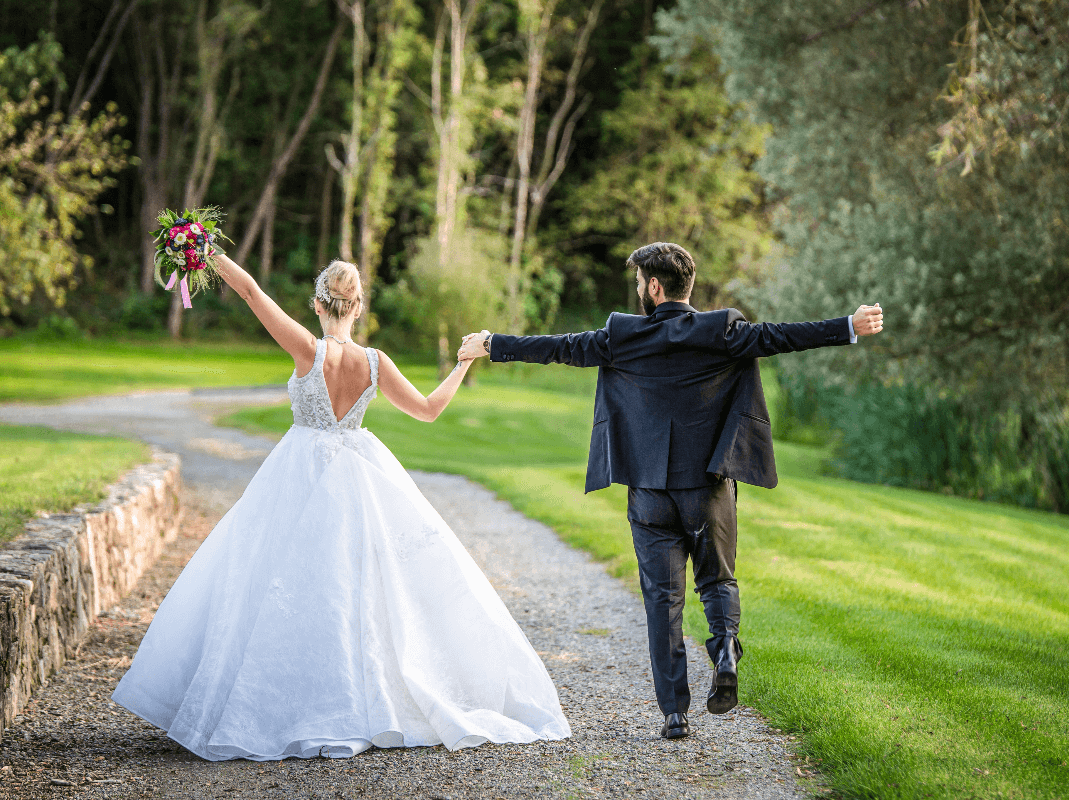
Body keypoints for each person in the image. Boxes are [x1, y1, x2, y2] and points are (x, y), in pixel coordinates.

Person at [112, 255, 570, 761]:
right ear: (359, 307)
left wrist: (207, 251)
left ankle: (295, 698)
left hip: (298, 470)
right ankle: (361, 692)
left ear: (317, 304)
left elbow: (249, 291)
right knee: (359, 587)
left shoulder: (307, 349)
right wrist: (463, 362)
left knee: (279, 579)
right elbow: (428, 410)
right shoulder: (375, 363)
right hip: (358, 471)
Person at [458, 242, 883, 740]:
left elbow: (560, 347)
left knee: (663, 600)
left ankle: (674, 714)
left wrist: (493, 343)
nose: (637, 290)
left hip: (649, 497)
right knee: (717, 582)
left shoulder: (621, 334)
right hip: (706, 489)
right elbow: (781, 337)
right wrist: (849, 325)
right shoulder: (721, 330)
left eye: (639, 282)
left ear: (654, 287)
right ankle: (724, 649)